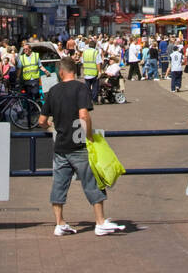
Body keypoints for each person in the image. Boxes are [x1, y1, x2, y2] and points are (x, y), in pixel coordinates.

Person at [37, 56, 124, 235]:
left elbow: (41, 121)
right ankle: (100, 222)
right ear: (74, 72)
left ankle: (59, 223)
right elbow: (84, 115)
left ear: (61, 72)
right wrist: (90, 136)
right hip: (79, 144)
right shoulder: (80, 88)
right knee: (92, 182)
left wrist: (50, 127)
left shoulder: (53, 91)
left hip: (60, 145)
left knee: (59, 185)